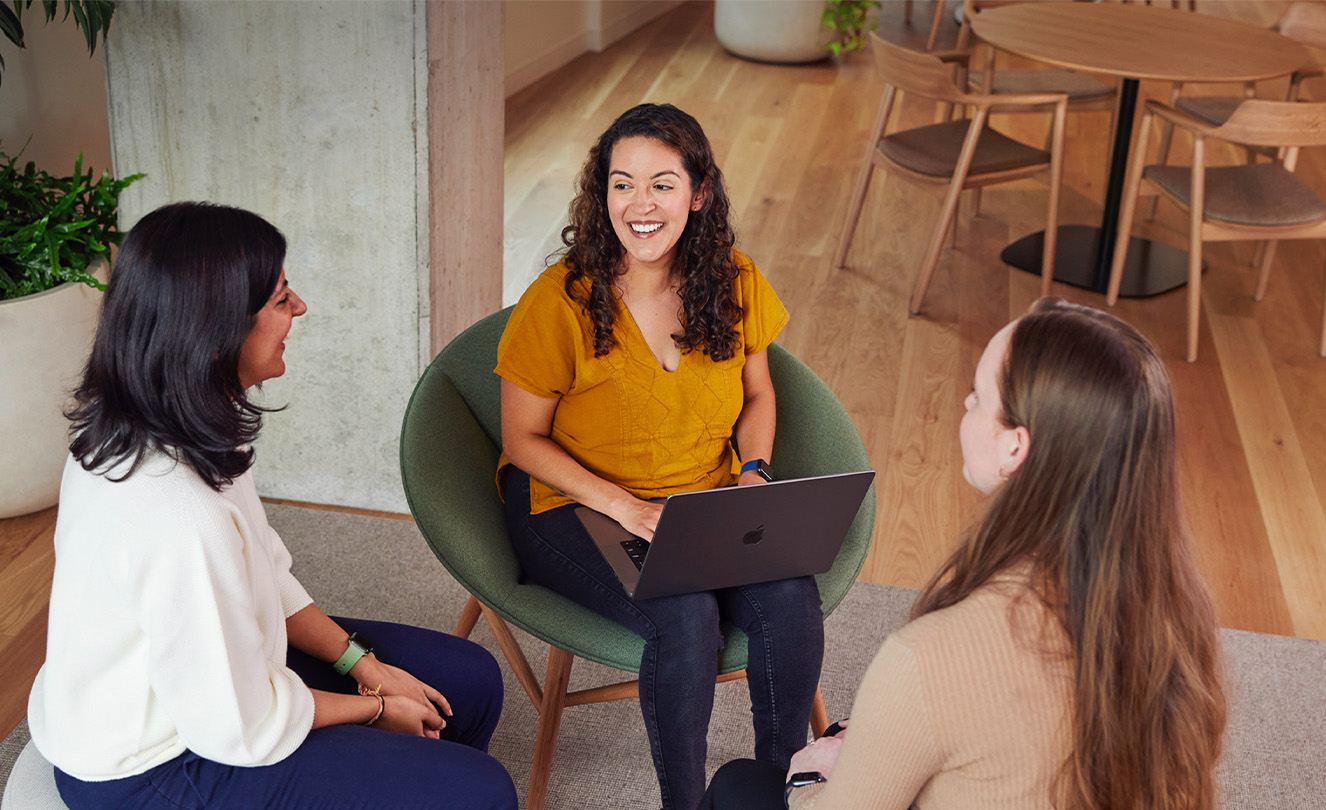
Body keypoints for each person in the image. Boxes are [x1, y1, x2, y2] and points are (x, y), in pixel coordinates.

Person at [27, 202, 518, 810]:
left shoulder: (181, 421)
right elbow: (240, 727)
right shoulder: (174, 515)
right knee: (481, 792)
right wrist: (375, 709)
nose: (301, 308)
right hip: (153, 764)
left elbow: (265, 573)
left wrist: (362, 663)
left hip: (211, 692)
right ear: (217, 332)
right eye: (282, 299)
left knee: (469, 681)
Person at [700, 298, 1227, 810]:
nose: (966, 406)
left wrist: (811, 771)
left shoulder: (930, 656)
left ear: (1014, 447)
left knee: (739, 784)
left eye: (976, 395)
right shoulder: (1178, 619)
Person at [497, 103, 824, 810]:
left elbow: (759, 395)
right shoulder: (559, 301)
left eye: (662, 183)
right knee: (684, 618)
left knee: (793, 598)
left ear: (699, 192)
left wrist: (753, 474)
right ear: (601, 193)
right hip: (573, 503)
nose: (639, 205)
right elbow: (521, 439)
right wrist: (624, 507)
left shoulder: (733, 279)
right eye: (622, 184)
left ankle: (779, 793)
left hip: (701, 499)